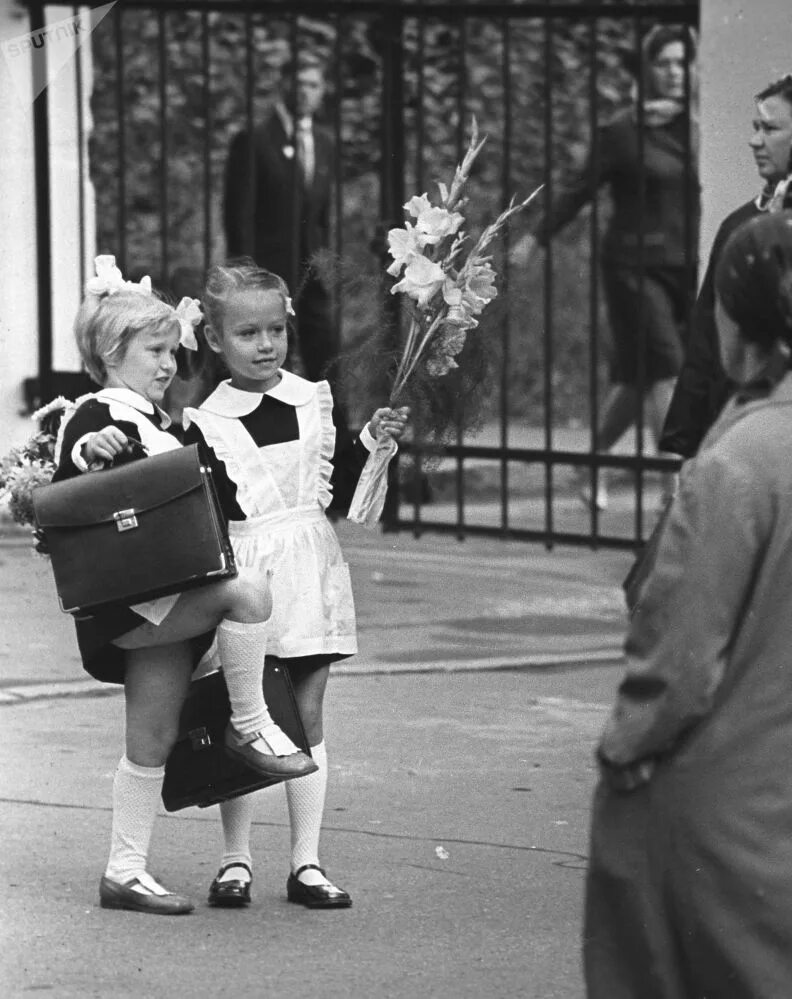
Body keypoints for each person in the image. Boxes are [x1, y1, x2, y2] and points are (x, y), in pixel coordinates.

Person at [51, 256, 316, 916]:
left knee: (151, 738)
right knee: (247, 593)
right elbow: (72, 467)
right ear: (114, 352)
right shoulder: (98, 414)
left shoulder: (161, 419)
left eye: (173, 349)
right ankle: (251, 728)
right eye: (155, 349)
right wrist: (91, 454)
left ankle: (124, 870)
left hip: (161, 599)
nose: (170, 363)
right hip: (136, 602)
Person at [585, 210, 792, 997]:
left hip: (724, 803)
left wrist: (622, 750)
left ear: (735, 321)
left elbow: (677, 659)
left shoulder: (736, 464)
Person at [182, 259, 409, 910]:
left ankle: (307, 860)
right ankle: (235, 859)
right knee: (244, 716)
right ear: (218, 341)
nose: (265, 344)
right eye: (248, 333)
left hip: (309, 568)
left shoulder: (312, 400)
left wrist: (372, 441)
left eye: (275, 330)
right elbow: (203, 512)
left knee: (306, 715)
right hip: (246, 577)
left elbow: (333, 487)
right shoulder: (207, 420)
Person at [513, 24, 699, 509]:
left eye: (682, 63)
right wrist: (536, 238)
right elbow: (579, 188)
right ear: (648, 69)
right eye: (664, 64)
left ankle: (590, 463)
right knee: (667, 369)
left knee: (639, 381)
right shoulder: (621, 131)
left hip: (686, 268)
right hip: (632, 267)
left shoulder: (699, 126)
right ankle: (673, 487)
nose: (674, 74)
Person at [660, 73, 792, 458]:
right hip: (734, 429)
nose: (754, 141)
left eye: (769, 129)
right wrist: (681, 442)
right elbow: (706, 337)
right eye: (755, 127)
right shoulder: (741, 225)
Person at [223, 53, 340, 390]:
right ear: (284, 85)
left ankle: (337, 434)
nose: (305, 91)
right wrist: (246, 276)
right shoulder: (255, 139)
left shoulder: (325, 141)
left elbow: (322, 214)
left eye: (313, 84)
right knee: (270, 360)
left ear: (322, 91)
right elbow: (238, 216)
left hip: (312, 271)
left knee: (326, 355)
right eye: (299, 82)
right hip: (267, 273)